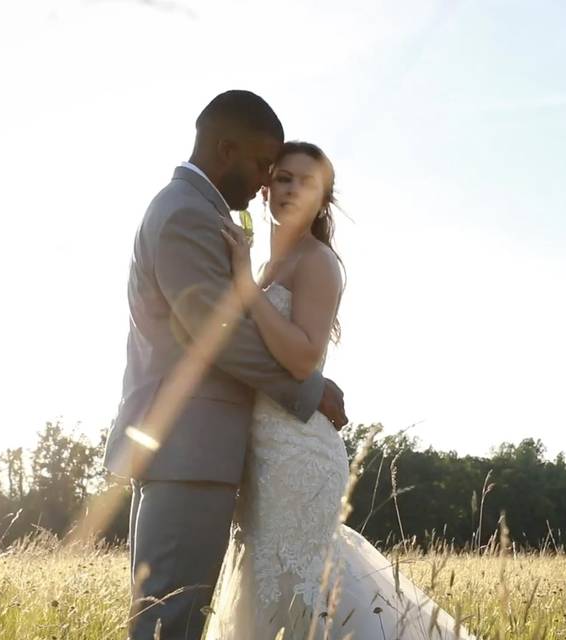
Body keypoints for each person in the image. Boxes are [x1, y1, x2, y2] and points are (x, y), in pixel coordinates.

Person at [102, 90, 349, 640]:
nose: (267, 181)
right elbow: (215, 335)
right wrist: (309, 388)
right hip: (189, 449)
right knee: (171, 621)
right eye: (265, 165)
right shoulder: (188, 214)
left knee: (170, 618)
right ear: (225, 148)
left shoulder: (197, 211)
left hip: (197, 450)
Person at [206, 141, 477, 639]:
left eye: (306, 182)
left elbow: (304, 357)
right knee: (264, 593)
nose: (291, 189)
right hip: (261, 456)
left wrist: (243, 286)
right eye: (283, 178)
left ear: (323, 198)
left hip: (299, 457)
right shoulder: (267, 267)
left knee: (301, 594)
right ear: (265, 187)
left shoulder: (318, 262)